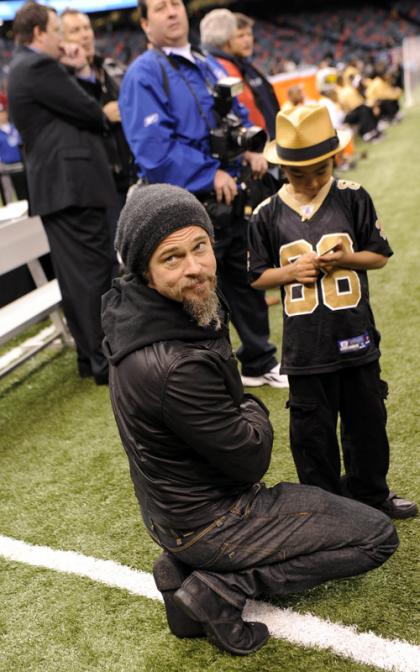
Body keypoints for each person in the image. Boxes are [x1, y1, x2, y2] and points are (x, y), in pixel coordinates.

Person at [101, 182, 399, 656]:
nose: (195, 267)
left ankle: (180, 570)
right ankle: (218, 590)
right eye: (172, 258)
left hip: (173, 513)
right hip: (215, 519)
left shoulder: (138, 314)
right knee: (378, 536)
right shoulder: (176, 365)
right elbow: (251, 458)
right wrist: (251, 404)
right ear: (144, 269)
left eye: (200, 246)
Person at [248, 104, 418, 520]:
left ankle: (372, 494)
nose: (309, 182)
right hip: (305, 350)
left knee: (367, 424)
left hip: (355, 335)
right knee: (312, 434)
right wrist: (289, 272)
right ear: (281, 168)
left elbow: (378, 257)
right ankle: (324, 509)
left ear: (334, 159)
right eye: (297, 174)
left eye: (318, 172)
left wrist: (349, 258)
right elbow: (255, 277)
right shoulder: (266, 213)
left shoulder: (353, 196)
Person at [118, 0, 287, 389]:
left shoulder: (203, 61)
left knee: (242, 276)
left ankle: (259, 360)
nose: (172, 12)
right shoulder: (144, 73)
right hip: (187, 202)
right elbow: (152, 149)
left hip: (230, 192)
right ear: (146, 25)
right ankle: (209, 374)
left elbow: (234, 116)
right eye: (160, 8)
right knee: (197, 290)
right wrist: (208, 173)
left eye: (175, 3)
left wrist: (248, 147)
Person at [8, 3, 116, 384]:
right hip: (71, 185)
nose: (62, 39)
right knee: (92, 274)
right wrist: (78, 68)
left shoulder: (25, 66)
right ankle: (104, 361)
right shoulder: (38, 66)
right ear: (39, 33)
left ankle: (92, 359)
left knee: (78, 276)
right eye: (56, 31)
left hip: (61, 187)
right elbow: (93, 112)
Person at [60, 8, 135, 261]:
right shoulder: (60, 80)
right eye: (75, 30)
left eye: (86, 28)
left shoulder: (113, 68)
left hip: (130, 175)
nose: (84, 35)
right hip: (98, 185)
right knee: (114, 259)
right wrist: (102, 115)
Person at [200, 9, 280, 140]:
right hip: (260, 146)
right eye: (240, 36)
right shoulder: (225, 68)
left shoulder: (243, 66)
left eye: (249, 34)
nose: (247, 40)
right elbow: (248, 108)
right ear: (228, 39)